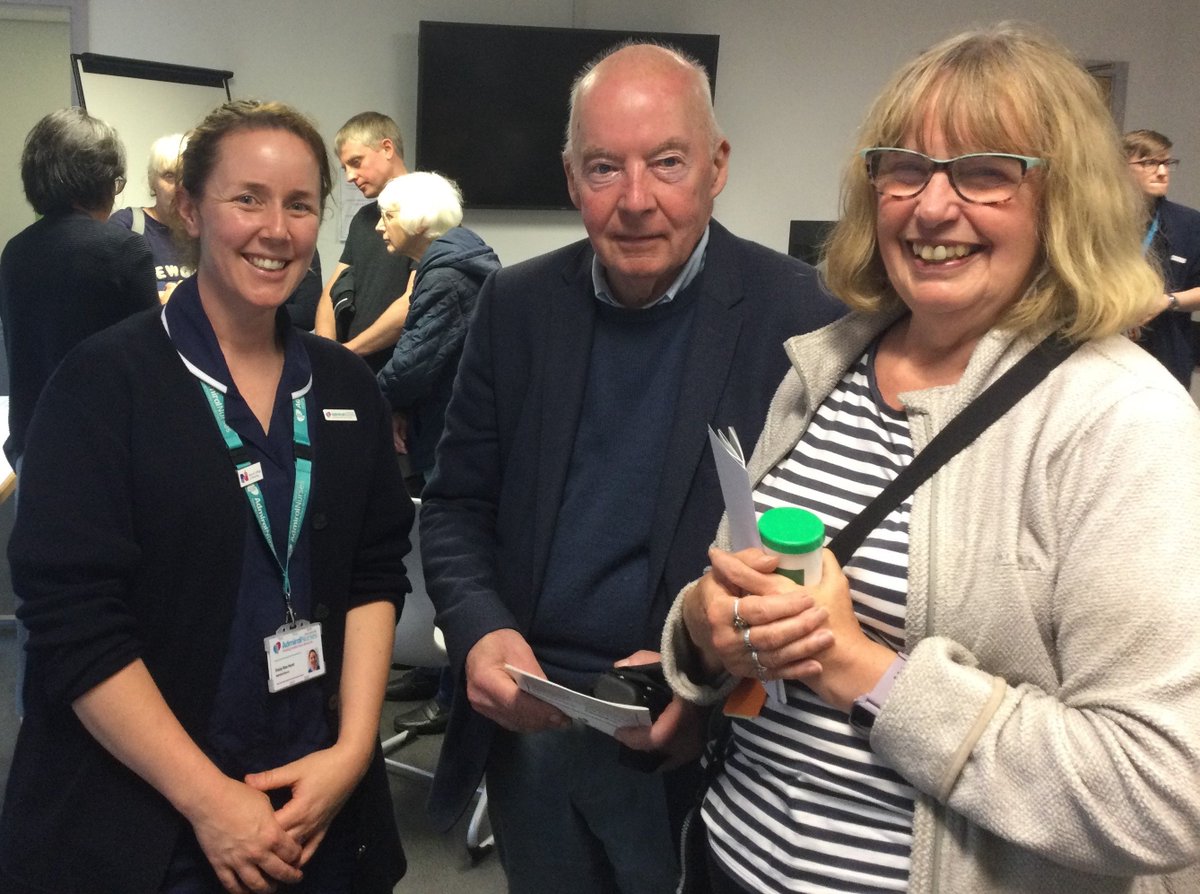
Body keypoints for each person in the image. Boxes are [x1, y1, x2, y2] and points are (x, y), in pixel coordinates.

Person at [658, 24, 1200, 894]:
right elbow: (749, 582)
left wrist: (862, 671)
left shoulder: (1122, 420)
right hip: (730, 855)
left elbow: (1158, 791)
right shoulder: (822, 367)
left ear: (1065, 201)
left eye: (987, 172)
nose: (931, 207)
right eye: (904, 168)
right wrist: (703, 625)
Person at [419, 42, 843, 893]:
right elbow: (456, 504)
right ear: (571, 178)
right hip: (531, 714)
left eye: (668, 163)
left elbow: (820, 548)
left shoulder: (803, 317)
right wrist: (477, 625)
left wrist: (708, 680)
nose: (637, 200)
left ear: (717, 166)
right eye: (605, 167)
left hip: (698, 731)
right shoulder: (517, 305)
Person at [0, 100, 413, 894]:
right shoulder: (101, 385)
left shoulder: (344, 387)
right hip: (151, 815)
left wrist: (354, 751)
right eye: (247, 198)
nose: (277, 228)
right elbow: (73, 621)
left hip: (316, 797)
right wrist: (209, 800)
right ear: (189, 207)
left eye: (299, 205)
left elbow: (373, 571)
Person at [373, 171, 501, 736]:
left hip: (453, 438)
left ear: (418, 221)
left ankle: (452, 692)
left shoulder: (446, 277)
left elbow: (414, 364)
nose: (379, 226)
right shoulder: (448, 264)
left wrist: (368, 395)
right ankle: (434, 678)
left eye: (387, 215)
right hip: (438, 423)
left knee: (450, 559)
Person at [0, 107, 157, 468]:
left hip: (32, 445)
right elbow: (150, 368)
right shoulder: (124, 250)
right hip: (99, 452)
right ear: (101, 180)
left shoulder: (14, 251)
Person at [314, 111, 415, 371]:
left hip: (399, 377)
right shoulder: (364, 217)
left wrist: (348, 352)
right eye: (345, 167)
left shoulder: (430, 214)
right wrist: (328, 352)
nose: (349, 176)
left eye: (356, 162)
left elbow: (413, 301)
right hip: (354, 369)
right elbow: (332, 289)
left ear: (387, 148)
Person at [1123, 129, 1200, 387]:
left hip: (1166, 360)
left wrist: (1167, 301)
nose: (1162, 171)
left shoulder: (1190, 224)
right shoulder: (1098, 222)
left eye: (1167, 163)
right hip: (1099, 351)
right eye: (1149, 163)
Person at [110, 132, 194, 301]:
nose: (179, 187)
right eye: (169, 176)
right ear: (151, 181)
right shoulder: (126, 226)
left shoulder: (206, 231)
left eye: (186, 176)